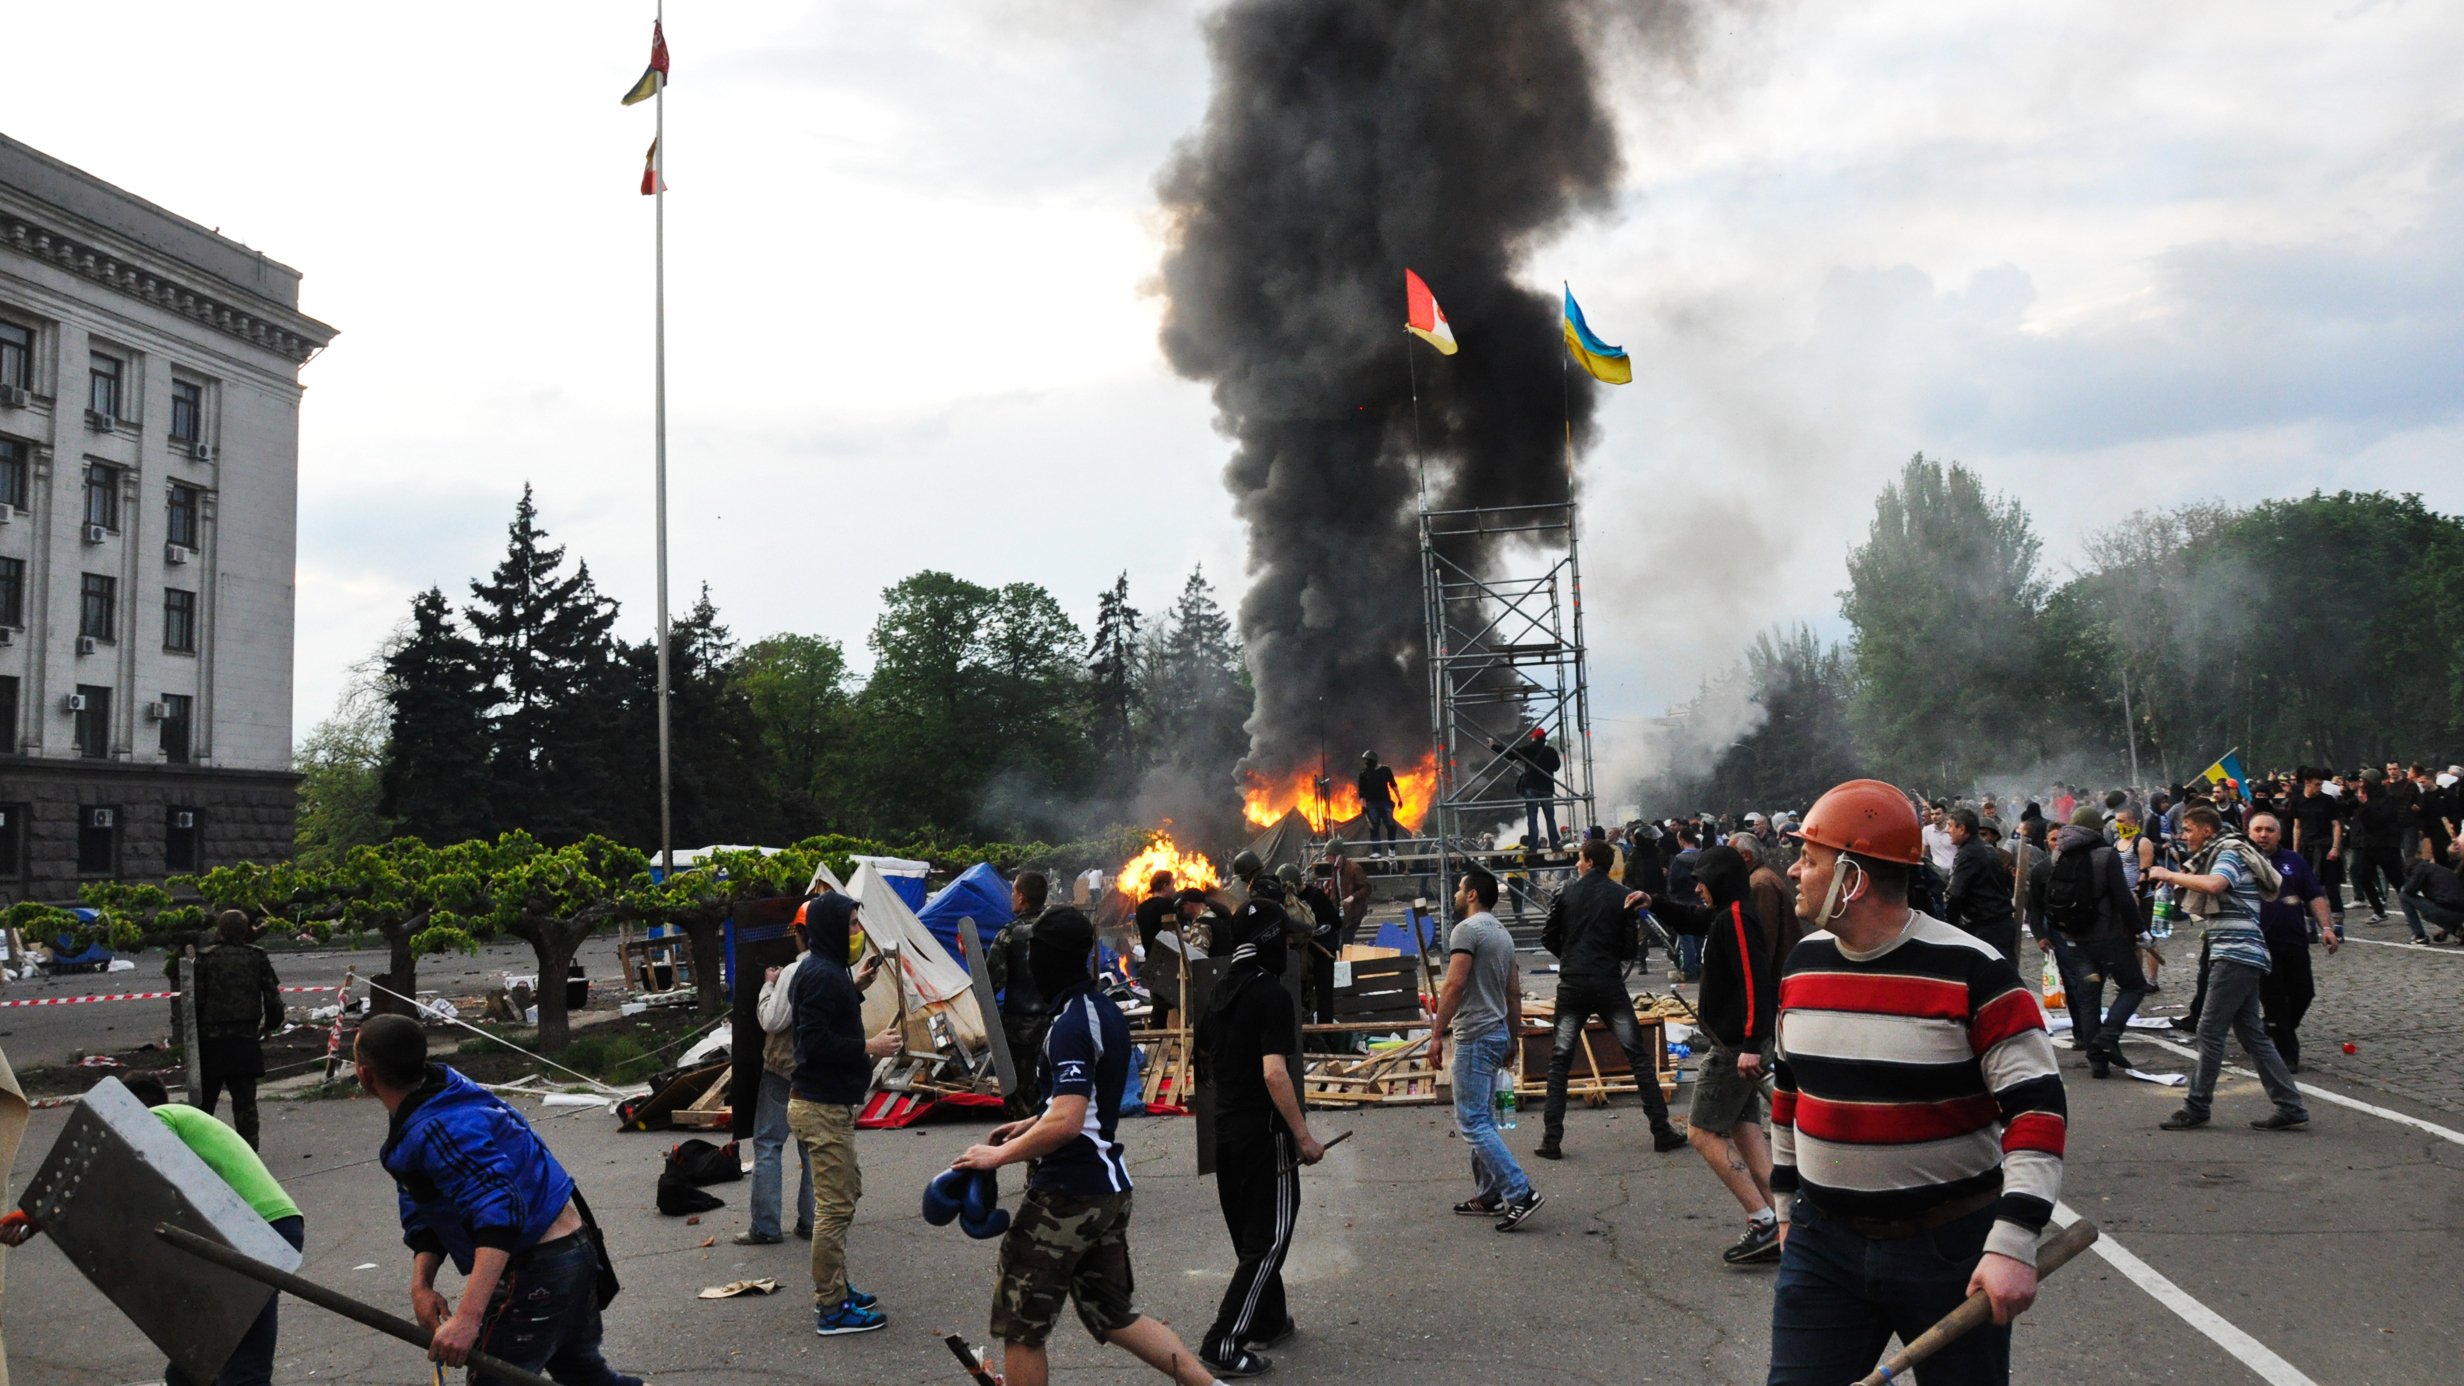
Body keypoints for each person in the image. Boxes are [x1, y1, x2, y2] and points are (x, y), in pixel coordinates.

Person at [1768, 779, 2066, 1386]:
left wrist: (2011, 1243)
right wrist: (1784, 1207)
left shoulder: (1975, 970)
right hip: (1821, 1243)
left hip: (1949, 1250)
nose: (1795, 871)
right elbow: (1789, 1092)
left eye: (1810, 858)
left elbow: (2038, 1112)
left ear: (1852, 877)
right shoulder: (1802, 964)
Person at [952, 910, 1229, 1386]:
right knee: (1113, 1315)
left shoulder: (1071, 1024)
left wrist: (997, 1156)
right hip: (1104, 1189)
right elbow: (1081, 1106)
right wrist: (1028, 1123)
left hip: (1068, 1193)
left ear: (1045, 961)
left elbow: (1070, 1120)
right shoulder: (1100, 1010)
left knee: (1021, 1325)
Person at [353, 1013, 640, 1385]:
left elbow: (499, 1213)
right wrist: (421, 1285)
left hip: (542, 1265)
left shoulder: (440, 1127)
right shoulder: (434, 1096)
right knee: (583, 1374)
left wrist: (467, 1319)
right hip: (568, 1252)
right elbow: (427, 1208)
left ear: (365, 1075)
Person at [2, 1074, 303, 1386]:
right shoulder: (185, 1119)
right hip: (265, 1227)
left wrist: (37, 1217)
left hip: (255, 1230)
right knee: (196, 1364)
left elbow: (130, 1173)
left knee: (242, 1365)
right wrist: (39, 1219)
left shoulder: (160, 1119)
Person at [1194, 900, 1328, 1374]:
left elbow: (1204, 1056)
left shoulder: (1220, 989)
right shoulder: (1272, 994)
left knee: (1251, 1236)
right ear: (1272, 940)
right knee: (1268, 1240)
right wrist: (1303, 1138)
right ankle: (1223, 1345)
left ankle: (1269, 1320)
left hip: (1227, 1134)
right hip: (1264, 1135)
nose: (1291, 945)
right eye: (1287, 938)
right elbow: (1275, 1074)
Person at [1641, 846, 1780, 1266]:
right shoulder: (1724, 914)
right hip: (1738, 1043)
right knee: (1745, 1131)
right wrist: (1655, 903)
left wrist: (1752, 1045)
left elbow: (1756, 984)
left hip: (1734, 1047)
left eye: (1702, 880)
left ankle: (1764, 1221)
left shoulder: (1736, 916)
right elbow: (1694, 919)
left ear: (1720, 879)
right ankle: (1792, 1219)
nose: (1697, 888)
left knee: (1701, 1133)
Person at [2148, 806, 2308, 1132]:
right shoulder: (2222, 850)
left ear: (2207, 830)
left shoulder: (2229, 852)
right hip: (2241, 953)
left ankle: (2196, 1107)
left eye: (2189, 829)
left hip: (2236, 955)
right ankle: (2290, 1105)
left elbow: (2216, 885)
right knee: (2253, 1034)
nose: (2184, 836)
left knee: (2209, 1031)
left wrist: (2168, 875)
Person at [787, 892, 903, 1334]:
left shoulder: (830, 971)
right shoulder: (820, 974)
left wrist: (855, 988)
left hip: (827, 1104)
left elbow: (825, 1020)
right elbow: (812, 1042)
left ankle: (836, 1286)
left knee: (846, 1194)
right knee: (833, 1208)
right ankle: (831, 1308)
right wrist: (868, 1047)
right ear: (833, 928)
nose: (858, 932)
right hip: (819, 1106)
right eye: (852, 925)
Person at [1537, 839, 1686, 1161]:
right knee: (1637, 1055)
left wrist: (1571, 956)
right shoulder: (1623, 896)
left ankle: (1551, 1139)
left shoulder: (1565, 892)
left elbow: (1548, 935)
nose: (1577, 863)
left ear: (1589, 862)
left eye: (1579, 858)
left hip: (1572, 985)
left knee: (1560, 1060)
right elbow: (1629, 950)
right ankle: (1661, 1131)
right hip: (1608, 985)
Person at [1428, 867, 1537, 1230]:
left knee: (1473, 1121)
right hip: (1495, 1034)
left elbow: (1455, 984)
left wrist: (1435, 1032)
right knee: (1485, 1118)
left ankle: (1520, 1193)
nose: (1457, 894)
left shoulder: (1467, 930)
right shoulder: (1502, 933)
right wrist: (1512, 1037)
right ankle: (1489, 1194)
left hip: (1475, 1035)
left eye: (1460, 888)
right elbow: (1512, 992)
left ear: (1473, 894)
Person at [2044, 807, 2148, 1080]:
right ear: (2096, 828)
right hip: (2107, 937)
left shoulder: (2058, 854)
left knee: (2089, 997)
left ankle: (2097, 1062)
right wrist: (2139, 930)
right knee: (2134, 985)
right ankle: (2109, 1035)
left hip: (2074, 939)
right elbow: (2123, 898)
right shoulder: (2106, 855)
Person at [2245, 812, 2338, 1071]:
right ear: (2249, 833)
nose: (2263, 835)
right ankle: (2286, 1054)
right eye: (2258, 830)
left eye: (2269, 830)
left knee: (2303, 992)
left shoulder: (2293, 861)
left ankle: (2272, 1029)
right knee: (2274, 999)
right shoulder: (2241, 861)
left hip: (2294, 939)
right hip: (2260, 943)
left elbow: (2314, 896)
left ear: (2279, 834)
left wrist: (2327, 928)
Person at [189, 909, 284, 1150]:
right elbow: (273, 998)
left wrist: (193, 1038)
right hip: (245, 1038)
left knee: (205, 1102)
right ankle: (249, 1153)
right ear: (247, 930)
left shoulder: (204, 959)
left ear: (219, 931)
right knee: (245, 1104)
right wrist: (270, 1025)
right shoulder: (257, 957)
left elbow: (195, 1002)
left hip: (210, 1041)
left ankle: (200, 1149)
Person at [989, 870, 1059, 1109]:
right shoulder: (1059, 931)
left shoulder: (1008, 935)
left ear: (1021, 896)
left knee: (1021, 1093)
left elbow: (991, 981)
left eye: (1013, 891)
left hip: (1020, 1029)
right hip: (1057, 1022)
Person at [1943, 808, 2019, 964]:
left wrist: (1948, 925)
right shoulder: (1988, 849)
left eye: (1950, 826)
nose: (1947, 830)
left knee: (1991, 975)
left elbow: (1955, 893)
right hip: (2000, 922)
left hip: (1986, 926)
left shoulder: (1968, 853)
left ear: (1962, 829)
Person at [1282, 862, 1343, 1029]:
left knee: (1324, 995)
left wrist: (1315, 932)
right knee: (1301, 995)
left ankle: (1326, 1034)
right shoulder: (1289, 901)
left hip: (1322, 951)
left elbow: (1335, 922)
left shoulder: (1316, 896)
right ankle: (1307, 1035)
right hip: (1302, 954)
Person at [1489, 728, 1563, 850]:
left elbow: (1510, 754)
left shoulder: (1528, 749)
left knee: (1532, 818)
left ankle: (1533, 846)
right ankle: (1555, 844)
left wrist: (1494, 746)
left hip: (1531, 787)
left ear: (1534, 738)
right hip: (1547, 788)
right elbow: (1556, 767)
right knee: (1550, 818)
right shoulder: (1550, 751)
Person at [2349, 771, 2406, 921]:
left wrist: (2366, 804)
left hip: (2387, 845)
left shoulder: (2388, 799)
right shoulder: (2365, 798)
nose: (2360, 784)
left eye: (2363, 781)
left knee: (2397, 880)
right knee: (2364, 877)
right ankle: (2379, 911)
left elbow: (2381, 820)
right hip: (2370, 844)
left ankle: (2412, 909)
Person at [1133, 870, 1183, 1026]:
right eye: (1172, 884)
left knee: (1159, 1010)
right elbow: (1175, 934)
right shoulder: (1166, 906)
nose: (1174, 888)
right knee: (1183, 1006)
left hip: (1152, 962)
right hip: (1170, 963)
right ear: (1164, 885)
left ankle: (1156, 1043)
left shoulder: (1141, 908)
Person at [2397, 834, 2464, 943]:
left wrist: (2407, 884)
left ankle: (2419, 935)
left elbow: (2409, 890)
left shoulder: (2420, 870)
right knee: (2430, 910)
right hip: (2460, 913)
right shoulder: (2438, 870)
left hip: (2447, 911)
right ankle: (2457, 930)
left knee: (2403, 895)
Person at [1357, 751, 1402, 857]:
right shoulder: (1363, 774)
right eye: (1365, 761)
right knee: (1374, 827)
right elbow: (1361, 792)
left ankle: (1392, 849)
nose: (1366, 763)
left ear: (1373, 760)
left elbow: (1393, 785)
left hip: (1385, 802)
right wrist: (1363, 806)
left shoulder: (1385, 770)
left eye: (1367, 760)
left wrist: (1399, 798)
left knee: (1391, 825)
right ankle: (1376, 851)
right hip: (1371, 804)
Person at [1324, 845, 1370, 948]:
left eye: (1329, 856)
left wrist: (1352, 897)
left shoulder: (1354, 869)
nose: (1327, 859)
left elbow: (1366, 888)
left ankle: (1347, 962)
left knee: (1346, 941)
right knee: (1339, 940)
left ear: (1337, 856)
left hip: (1354, 912)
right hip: (1342, 911)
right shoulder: (1336, 870)